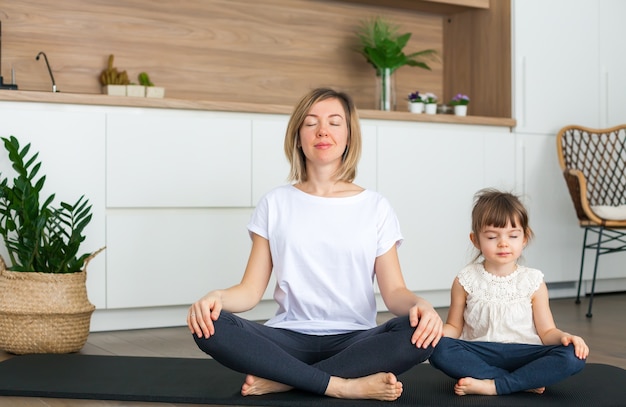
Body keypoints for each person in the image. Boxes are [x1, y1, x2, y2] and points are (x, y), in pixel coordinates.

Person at [187, 87, 443, 401]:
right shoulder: (275, 202)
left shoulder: (375, 206)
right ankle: (342, 385)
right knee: (211, 325)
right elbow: (250, 291)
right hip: (287, 336)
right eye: (311, 123)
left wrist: (422, 305)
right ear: (298, 136)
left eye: (335, 122)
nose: (322, 130)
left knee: (421, 333)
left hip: (355, 339)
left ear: (349, 136)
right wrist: (216, 297)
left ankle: (286, 379)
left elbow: (394, 294)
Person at [429, 188, 589, 396]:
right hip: (481, 352)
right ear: (475, 240)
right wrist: (433, 336)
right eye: (492, 236)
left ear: (524, 238)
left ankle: (494, 385)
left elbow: (547, 332)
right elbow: (454, 326)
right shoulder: (464, 280)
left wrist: (565, 337)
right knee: (438, 350)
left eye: (513, 235)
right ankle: (522, 381)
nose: (504, 243)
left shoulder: (534, 281)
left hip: (524, 353)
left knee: (574, 356)